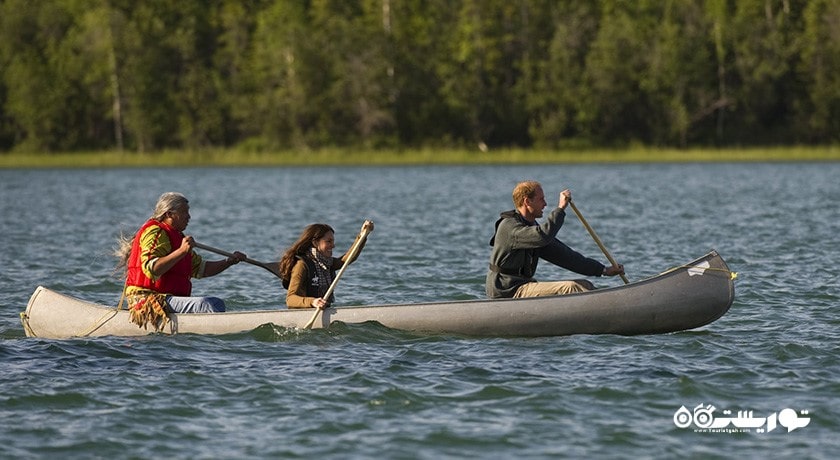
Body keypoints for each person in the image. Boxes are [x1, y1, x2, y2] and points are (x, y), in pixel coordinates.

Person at [115, 192, 247, 329]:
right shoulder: (155, 232)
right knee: (210, 304)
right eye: (184, 212)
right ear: (169, 214)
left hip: (168, 300)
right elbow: (152, 269)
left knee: (215, 303)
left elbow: (202, 269)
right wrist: (182, 251)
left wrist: (229, 261)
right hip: (147, 300)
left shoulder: (178, 237)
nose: (189, 217)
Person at [486, 180, 624, 299]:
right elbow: (542, 235)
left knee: (584, 285)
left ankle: (611, 307)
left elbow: (566, 257)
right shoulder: (511, 227)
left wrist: (603, 270)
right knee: (572, 288)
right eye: (541, 199)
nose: (545, 204)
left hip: (522, 286)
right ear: (527, 201)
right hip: (506, 290)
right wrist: (560, 208)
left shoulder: (531, 228)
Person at [280, 220, 374, 309]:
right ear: (315, 242)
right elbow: (290, 299)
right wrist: (313, 302)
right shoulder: (301, 265)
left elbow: (348, 259)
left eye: (333, 241)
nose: (333, 245)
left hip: (323, 310)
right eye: (328, 241)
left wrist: (363, 235)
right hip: (304, 312)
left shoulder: (327, 263)